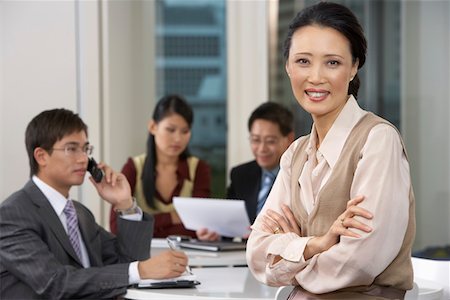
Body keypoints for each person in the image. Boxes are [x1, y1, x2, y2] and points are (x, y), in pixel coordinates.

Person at [246, 2, 415, 299]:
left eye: (333, 62)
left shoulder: (378, 141)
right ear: (287, 66)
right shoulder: (295, 154)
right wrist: (316, 244)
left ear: (354, 67)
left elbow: (360, 262)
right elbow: (257, 254)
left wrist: (292, 252)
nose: (316, 77)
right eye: (303, 61)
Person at [0, 108, 189, 299]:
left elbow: (127, 262)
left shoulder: (80, 214)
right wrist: (141, 270)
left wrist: (125, 204)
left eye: (85, 149)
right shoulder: (12, 215)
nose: (83, 159)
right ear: (41, 156)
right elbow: (55, 283)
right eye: (71, 149)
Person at [109, 94, 216, 240]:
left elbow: (199, 225)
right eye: (171, 130)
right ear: (153, 127)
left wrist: (144, 222)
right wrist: (173, 217)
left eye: (185, 131)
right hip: (143, 259)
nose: (178, 138)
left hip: (189, 258)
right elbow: (118, 228)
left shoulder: (199, 169)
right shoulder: (133, 168)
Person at [227, 102, 294, 223]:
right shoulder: (240, 174)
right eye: (256, 140)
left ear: (289, 139)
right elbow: (228, 221)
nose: (262, 149)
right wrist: (215, 232)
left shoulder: (300, 175)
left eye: (270, 141)